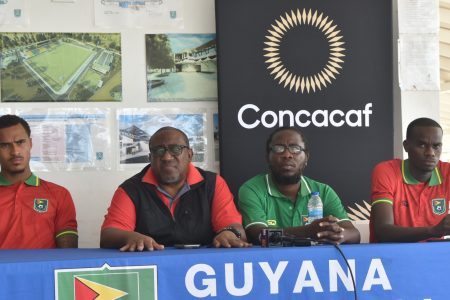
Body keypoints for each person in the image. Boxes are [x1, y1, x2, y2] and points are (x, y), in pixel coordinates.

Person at [101, 126, 250, 251]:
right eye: (159, 151)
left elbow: (235, 228)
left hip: (204, 268)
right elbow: (108, 235)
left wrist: (229, 233)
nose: (166, 157)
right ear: (150, 158)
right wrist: (131, 237)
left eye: (175, 149)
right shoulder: (131, 189)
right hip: (151, 269)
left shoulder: (213, 184)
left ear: (190, 155)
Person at [238, 127, 360, 245]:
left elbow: (354, 234)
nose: (287, 155)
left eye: (295, 148)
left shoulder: (323, 191)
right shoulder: (251, 189)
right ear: (268, 157)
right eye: (279, 148)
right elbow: (259, 236)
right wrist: (308, 231)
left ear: (306, 158)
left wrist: (339, 235)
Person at [0, 114, 78, 248]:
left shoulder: (59, 194)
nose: (15, 151)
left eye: (20, 142)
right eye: (5, 145)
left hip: (44, 269)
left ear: (30, 143)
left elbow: (67, 253)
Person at [370, 117, 450, 242]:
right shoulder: (386, 171)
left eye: (436, 146)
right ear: (406, 146)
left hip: (434, 256)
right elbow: (383, 230)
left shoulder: (447, 172)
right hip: (390, 257)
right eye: (422, 145)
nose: (431, 153)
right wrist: (434, 231)